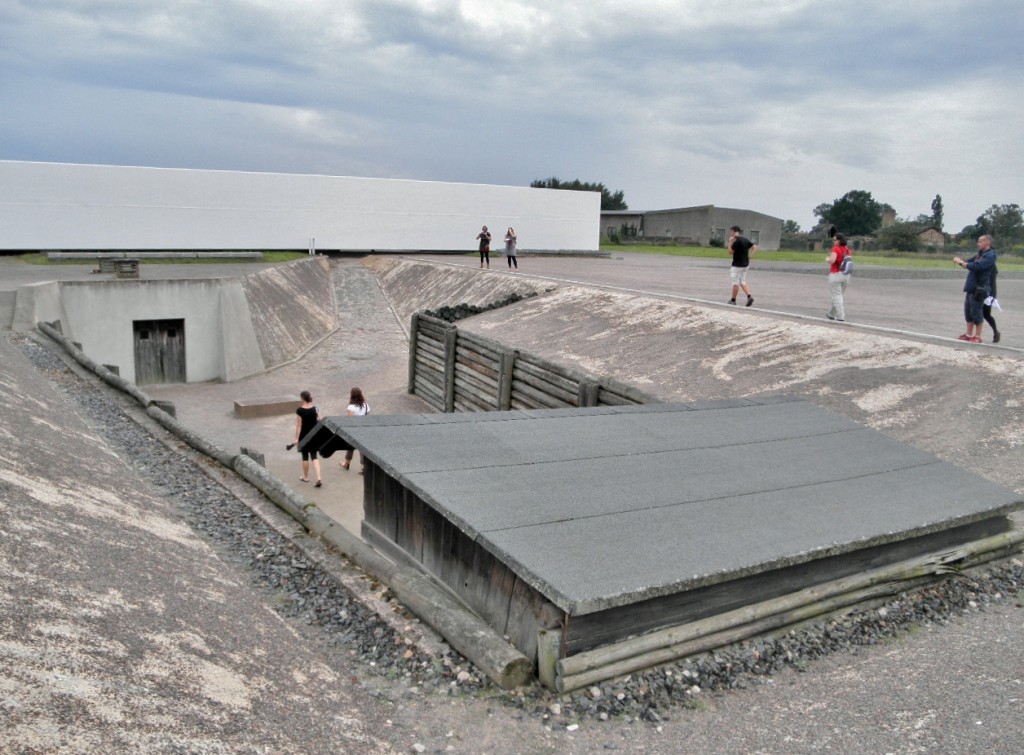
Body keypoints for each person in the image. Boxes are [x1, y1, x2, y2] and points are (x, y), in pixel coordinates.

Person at [953, 235, 997, 343]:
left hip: (980, 289)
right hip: (971, 287)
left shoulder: (990, 256)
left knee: (977, 312)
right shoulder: (979, 255)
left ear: (987, 243)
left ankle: (978, 336)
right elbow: (968, 262)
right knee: (968, 312)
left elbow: (976, 266)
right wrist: (961, 261)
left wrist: (960, 262)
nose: (978, 244)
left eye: (980, 241)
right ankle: (968, 334)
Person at [292, 390, 322, 487]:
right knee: (314, 456)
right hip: (314, 435)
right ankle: (318, 477)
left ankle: (306, 477)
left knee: (305, 456)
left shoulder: (300, 410)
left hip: (304, 436)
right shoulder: (315, 408)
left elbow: (299, 425)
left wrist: (296, 438)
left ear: (302, 398)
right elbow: (320, 419)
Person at [338, 386, 370, 474]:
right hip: (363, 429)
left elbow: (350, 421)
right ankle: (363, 467)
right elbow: (367, 418)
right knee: (362, 449)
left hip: (354, 430)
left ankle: (347, 464)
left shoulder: (351, 407)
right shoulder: (366, 405)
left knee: (350, 447)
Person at [825, 233, 852, 322]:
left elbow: (832, 260)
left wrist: (827, 259)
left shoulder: (835, 248)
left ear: (838, 240)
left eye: (834, 240)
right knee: (838, 295)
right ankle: (831, 314)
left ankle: (840, 316)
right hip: (846, 275)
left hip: (836, 274)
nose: (833, 241)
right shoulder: (847, 249)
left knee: (836, 296)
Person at [727, 225, 757, 306]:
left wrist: (730, 242)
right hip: (745, 264)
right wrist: (750, 256)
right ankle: (749, 296)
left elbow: (730, 252)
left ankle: (733, 300)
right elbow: (754, 247)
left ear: (736, 232)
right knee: (742, 281)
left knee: (735, 283)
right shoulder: (745, 240)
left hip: (737, 265)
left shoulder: (737, 242)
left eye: (732, 232)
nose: (731, 234)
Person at [983, 259, 1001, 343]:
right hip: (988, 291)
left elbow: (991, 280)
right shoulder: (990, 263)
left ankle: (996, 332)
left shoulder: (990, 264)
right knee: (985, 314)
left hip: (988, 292)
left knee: (985, 314)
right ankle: (995, 332)